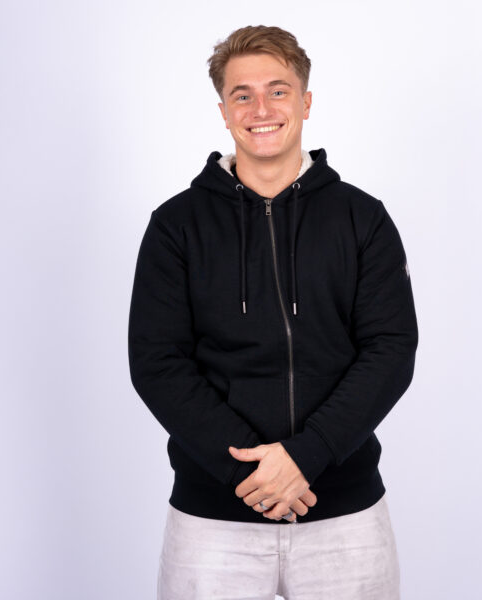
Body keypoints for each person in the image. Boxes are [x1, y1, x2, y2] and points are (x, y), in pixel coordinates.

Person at [128, 24, 418, 600]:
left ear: (305, 103)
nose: (261, 109)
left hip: (346, 520)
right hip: (214, 522)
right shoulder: (176, 226)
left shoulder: (363, 219)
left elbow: (390, 351)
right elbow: (157, 364)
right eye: (243, 95)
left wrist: (306, 457)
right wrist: (254, 475)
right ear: (224, 112)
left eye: (278, 90)